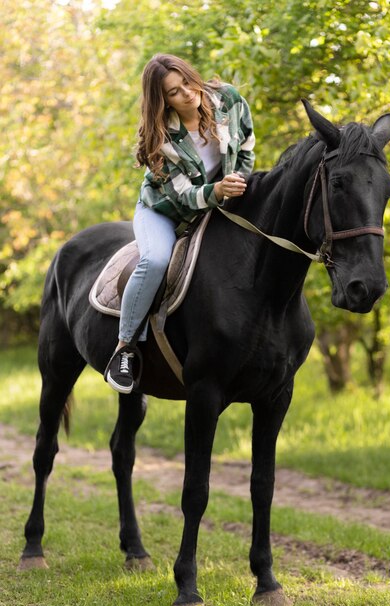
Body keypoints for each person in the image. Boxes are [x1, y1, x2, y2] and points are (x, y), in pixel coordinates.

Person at [105, 53, 255, 393]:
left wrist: (238, 183)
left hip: (216, 202)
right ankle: (125, 347)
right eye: (174, 92)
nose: (187, 93)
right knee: (156, 259)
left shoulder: (229, 99)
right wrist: (217, 190)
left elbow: (245, 146)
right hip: (164, 211)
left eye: (187, 81)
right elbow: (183, 195)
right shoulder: (159, 137)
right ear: (164, 101)